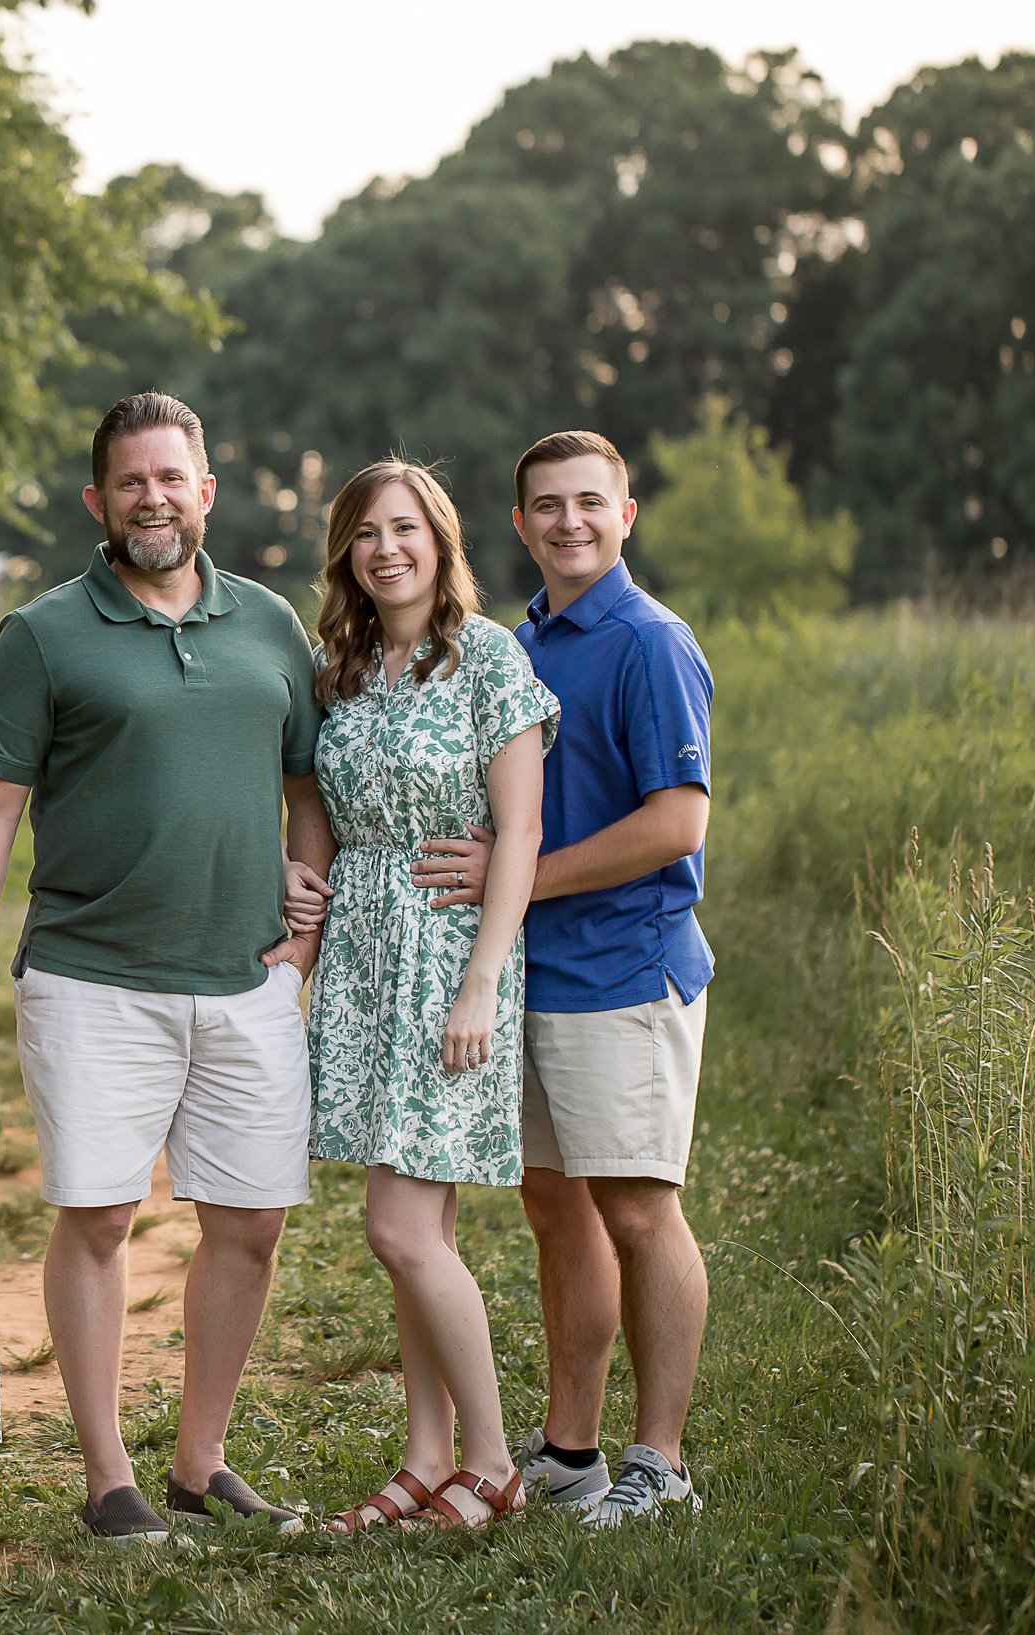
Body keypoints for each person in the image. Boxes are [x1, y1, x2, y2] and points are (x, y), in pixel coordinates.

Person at [0, 391, 325, 1542]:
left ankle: (199, 1460)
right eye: (131, 482)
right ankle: (109, 1474)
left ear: (206, 491)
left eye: (172, 478)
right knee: (102, 1216)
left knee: (252, 1219)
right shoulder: (42, 632)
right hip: (91, 971)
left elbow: (309, 789)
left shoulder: (271, 625)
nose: (152, 498)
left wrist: (302, 930)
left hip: (244, 976)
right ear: (97, 501)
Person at [399, 430, 715, 1526]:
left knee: (637, 1207)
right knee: (555, 1207)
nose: (569, 521)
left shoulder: (647, 640)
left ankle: (660, 1463)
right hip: (538, 970)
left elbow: (676, 820)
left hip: (624, 965)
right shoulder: (520, 639)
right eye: (546, 504)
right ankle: (572, 1448)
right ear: (521, 523)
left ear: (625, 514)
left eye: (590, 502)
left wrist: (518, 878)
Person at [286, 460, 558, 1533]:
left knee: (400, 1229)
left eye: (405, 528)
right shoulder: (339, 666)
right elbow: (314, 809)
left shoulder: (489, 658)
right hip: (361, 956)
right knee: (420, 1226)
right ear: (346, 552)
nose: (385, 547)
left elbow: (521, 833)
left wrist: (481, 979)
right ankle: (425, 1455)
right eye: (365, 532)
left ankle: (492, 1462)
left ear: (441, 542)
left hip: (450, 956)